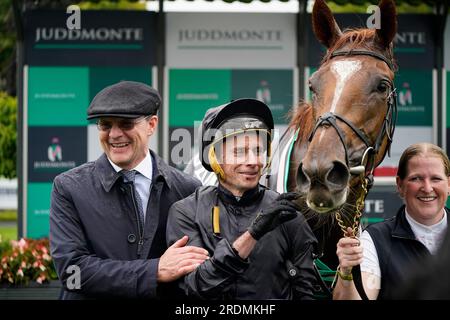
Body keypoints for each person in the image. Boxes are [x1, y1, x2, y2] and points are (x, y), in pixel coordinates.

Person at [50, 81, 206, 299]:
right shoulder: (68, 187)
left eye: (125, 124)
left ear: (152, 125)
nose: (114, 134)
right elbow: (72, 272)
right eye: (105, 125)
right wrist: (155, 271)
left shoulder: (188, 188)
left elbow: (196, 270)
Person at [166, 98, 318, 300]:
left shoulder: (286, 214)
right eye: (240, 152)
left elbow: (307, 291)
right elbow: (197, 288)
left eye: (258, 150)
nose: (253, 161)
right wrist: (254, 233)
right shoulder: (186, 212)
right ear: (215, 157)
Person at [333, 142, 450, 300]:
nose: (427, 188)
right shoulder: (375, 239)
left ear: (449, 184)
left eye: (436, 179)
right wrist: (346, 273)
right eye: (416, 178)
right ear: (400, 185)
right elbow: (362, 297)